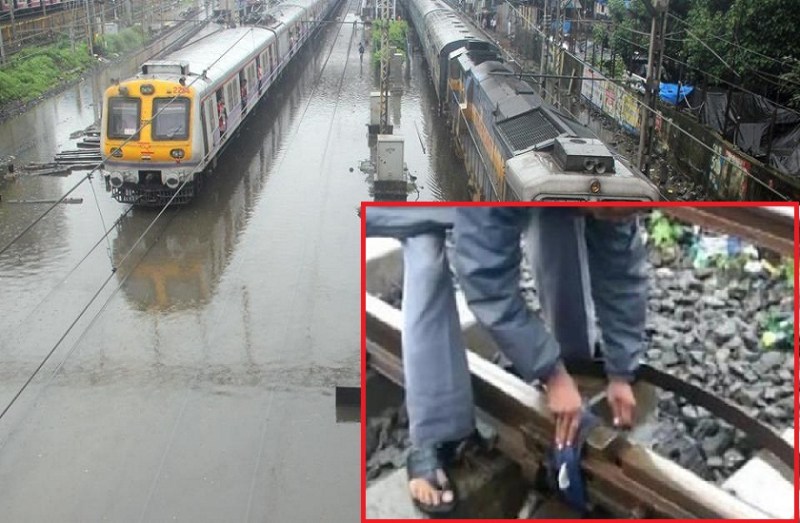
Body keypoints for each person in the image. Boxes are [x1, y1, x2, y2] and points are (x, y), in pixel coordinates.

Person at [365, 206, 647, 514]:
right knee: (425, 252)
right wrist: (550, 373)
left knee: (559, 217)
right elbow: (487, 285)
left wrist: (620, 369)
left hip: (526, 182)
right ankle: (437, 433)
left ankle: (576, 367)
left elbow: (619, 267)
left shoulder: (614, 182)